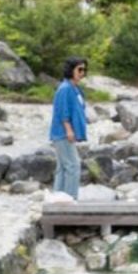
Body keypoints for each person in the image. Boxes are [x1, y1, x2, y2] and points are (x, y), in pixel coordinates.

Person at [49, 57, 89, 200]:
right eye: (79, 69)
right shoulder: (65, 89)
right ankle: (70, 199)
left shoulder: (75, 88)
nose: (82, 72)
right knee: (73, 165)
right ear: (71, 70)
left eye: (84, 69)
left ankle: (58, 199)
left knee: (63, 167)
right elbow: (62, 112)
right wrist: (69, 130)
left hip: (66, 133)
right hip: (63, 133)